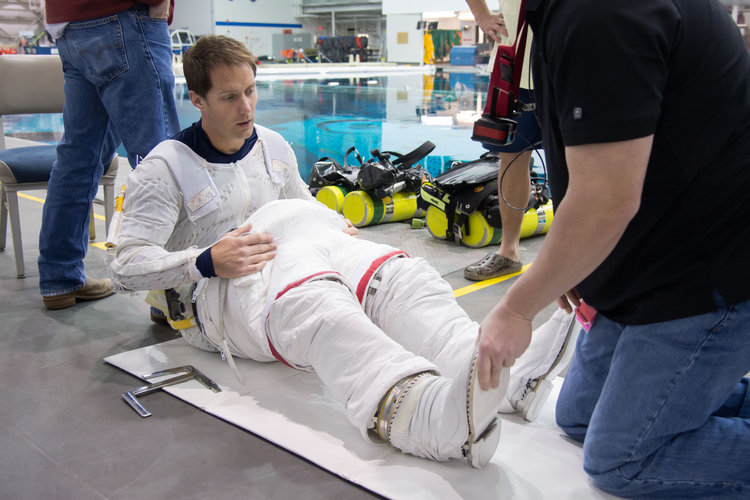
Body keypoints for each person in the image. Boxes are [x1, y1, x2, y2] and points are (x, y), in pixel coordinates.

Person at [106, 34, 578, 467]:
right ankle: (423, 418)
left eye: (250, 91)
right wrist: (204, 260)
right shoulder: (165, 168)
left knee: (398, 279)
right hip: (215, 298)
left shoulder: (270, 145)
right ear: (196, 99)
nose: (246, 106)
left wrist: (332, 222)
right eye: (229, 97)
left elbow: (297, 201)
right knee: (316, 306)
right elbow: (124, 267)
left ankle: (503, 377)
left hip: (294, 247)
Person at [477, 0, 750, 497]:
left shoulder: (598, 12)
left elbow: (606, 200)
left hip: (709, 268)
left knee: (623, 460)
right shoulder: (557, 13)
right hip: (656, 246)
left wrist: (517, 308)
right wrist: (575, 262)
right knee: (579, 417)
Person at [39, 0, 180, 310]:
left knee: (77, 158)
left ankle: (59, 277)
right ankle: (170, 299)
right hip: (124, 18)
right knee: (162, 160)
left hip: (69, 26)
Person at [463, 0, 542, 281]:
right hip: (516, 60)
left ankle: (580, 253)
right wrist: (481, 15)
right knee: (512, 157)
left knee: (574, 157)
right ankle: (508, 251)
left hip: (571, 57)